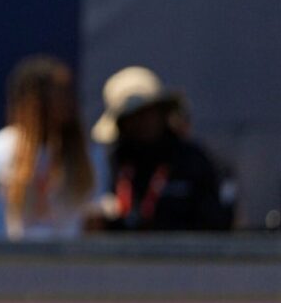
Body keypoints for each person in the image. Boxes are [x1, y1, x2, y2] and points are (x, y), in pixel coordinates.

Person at [0, 54, 100, 240]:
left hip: (70, 259)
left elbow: (95, 230)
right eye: (58, 93)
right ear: (32, 100)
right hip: (5, 259)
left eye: (68, 93)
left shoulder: (90, 155)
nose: (68, 102)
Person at [91, 65, 232, 231]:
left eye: (147, 112)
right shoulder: (110, 164)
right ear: (121, 124)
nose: (142, 122)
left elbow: (215, 222)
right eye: (132, 116)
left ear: (161, 112)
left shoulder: (193, 161)